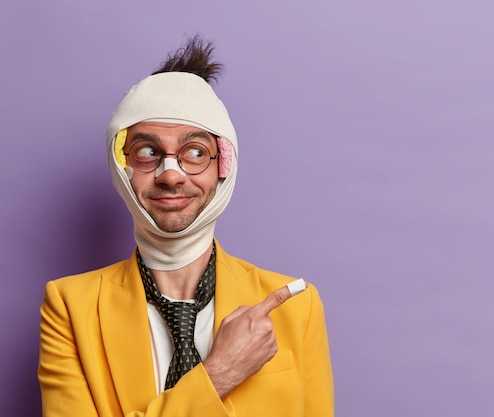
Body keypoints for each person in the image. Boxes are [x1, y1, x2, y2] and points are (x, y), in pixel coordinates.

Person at [38, 36, 334, 417]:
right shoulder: (69, 307)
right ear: (121, 166)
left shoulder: (297, 307)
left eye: (195, 152)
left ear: (223, 165)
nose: (171, 175)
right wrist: (217, 375)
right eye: (147, 151)